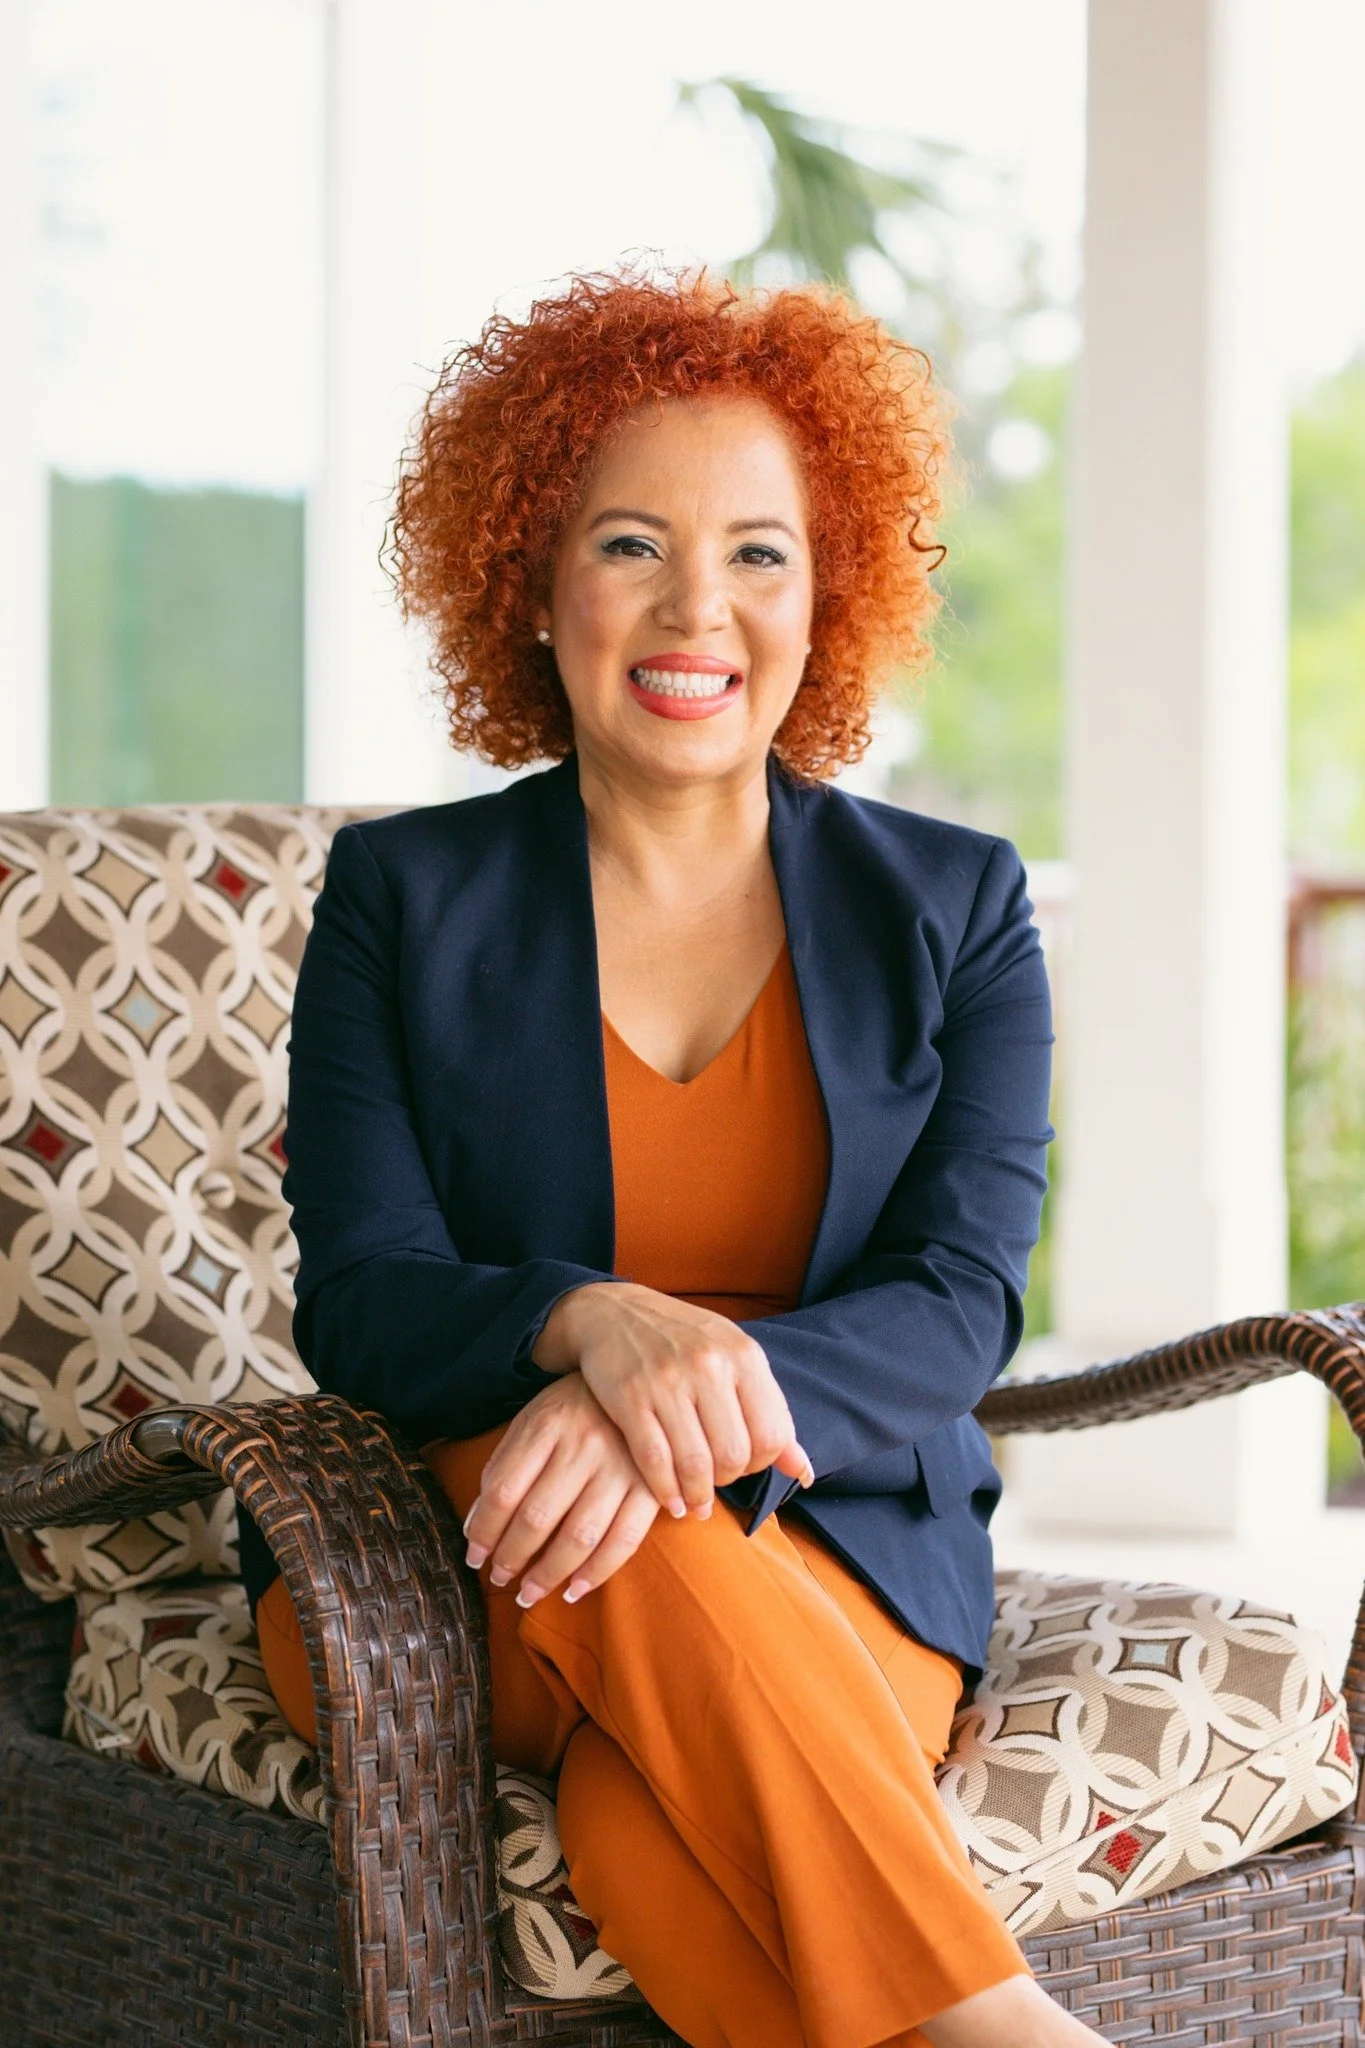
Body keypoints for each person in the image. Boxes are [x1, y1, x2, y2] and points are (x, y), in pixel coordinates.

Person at [248, 268, 1098, 2048]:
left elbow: (958, 1306)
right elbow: (369, 1298)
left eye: (759, 553)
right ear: (532, 580)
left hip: (842, 1548)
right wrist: (592, 1328)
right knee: (623, 1535)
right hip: (461, 1563)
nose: (696, 607)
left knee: (640, 1829)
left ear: (826, 593)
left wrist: (677, 1407)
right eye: (630, 543)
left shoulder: (958, 906)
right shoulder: (403, 899)